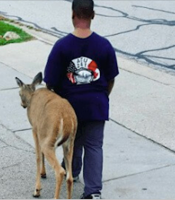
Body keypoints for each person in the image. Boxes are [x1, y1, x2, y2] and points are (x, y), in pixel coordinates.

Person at [44, 0, 119, 198]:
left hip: (69, 105)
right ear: (93, 15)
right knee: (94, 146)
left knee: (72, 141)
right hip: (97, 104)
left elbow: (49, 82)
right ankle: (93, 192)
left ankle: (72, 171)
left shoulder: (62, 46)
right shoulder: (104, 45)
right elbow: (110, 79)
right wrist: (101, 96)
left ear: (72, 15)